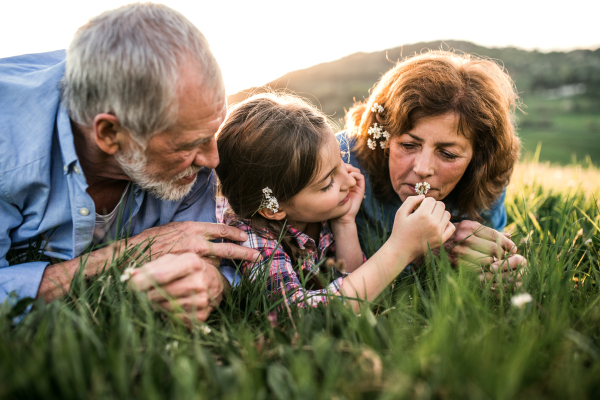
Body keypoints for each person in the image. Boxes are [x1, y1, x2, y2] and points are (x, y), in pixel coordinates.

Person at [0, 3, 259, 322]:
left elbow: (210, 261)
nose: (212, 158)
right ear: (109, 133)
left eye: (211, 133)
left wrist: (212, 282)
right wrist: (129, 254)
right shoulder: (8, 147)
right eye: (189, 144)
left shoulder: (193, 155)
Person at [214, 93, 455, 310]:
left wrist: (345, 222)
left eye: (341, 161)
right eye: (327, 182)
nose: (349, 182)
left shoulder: (320, 212)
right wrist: (400, 248)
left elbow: (361, 285)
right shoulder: (253, 239)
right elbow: (296, 315)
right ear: (272, 207)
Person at [338, 50, 526, 274]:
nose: (422, 169)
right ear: (384, 135)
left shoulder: (488, 176)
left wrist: (493, 271)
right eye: (408, 145)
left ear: (479, 158)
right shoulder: (341, 163)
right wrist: (425, 253)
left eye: (448, 154)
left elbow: (486, 269)